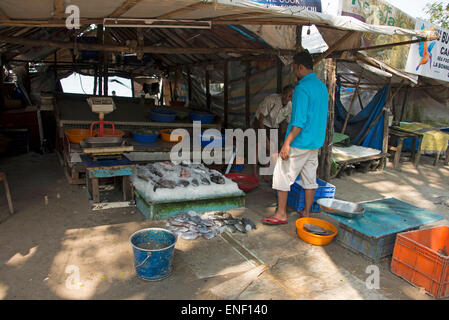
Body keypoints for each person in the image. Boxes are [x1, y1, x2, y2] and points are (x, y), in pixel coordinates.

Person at [262, 50, 329, 225]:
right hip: (315, 142)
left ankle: (281, 214)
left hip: (300, 141)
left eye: (293, 67)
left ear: (299, 67)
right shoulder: (322, 87)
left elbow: (298, 121)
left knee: (281, 174)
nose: (293, 71)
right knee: (309, 179)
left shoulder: (301, 89)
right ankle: (306, 213)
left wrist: (287, 143)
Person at [252, 85, 294, 180]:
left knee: (273, 148)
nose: (286, 98)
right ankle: (254, 171)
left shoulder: (290, 107)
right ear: (282, 94)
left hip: (274, 125)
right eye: (285, 94)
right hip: (261, 122)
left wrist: (285, 140)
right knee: (259, 145)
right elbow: (261, 119)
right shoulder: (271, 100)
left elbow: (287, 124)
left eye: (290, 96)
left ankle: (266, 172)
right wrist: (265, 139)